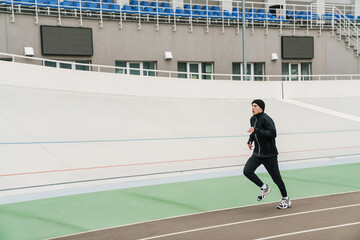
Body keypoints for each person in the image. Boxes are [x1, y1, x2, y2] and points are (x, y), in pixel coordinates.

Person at [243, 99, 291, 209]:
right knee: (247, 171)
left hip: (269, 155)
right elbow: (254, 132)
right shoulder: (252, 119)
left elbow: (272, 133)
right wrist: (250, 140)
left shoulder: (266, 119)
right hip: (257, 154)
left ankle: (286, 199)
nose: (253, 108)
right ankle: (264, 187)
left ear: (261, 108)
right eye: (252, 106)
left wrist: (256, 130)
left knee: (276, 178)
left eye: (255, 106)